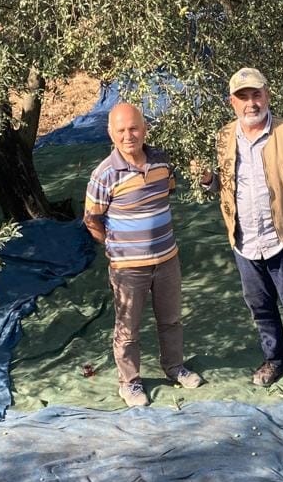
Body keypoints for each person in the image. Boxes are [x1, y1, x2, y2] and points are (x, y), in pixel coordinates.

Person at [199, 67, 283, 392]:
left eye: (256, 94)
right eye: (243, 97)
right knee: (259, 305)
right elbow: (221, 187)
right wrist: (207, 180)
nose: (251, 103)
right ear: (232, 102)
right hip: (244, 240)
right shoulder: (223, 137)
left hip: (282, 237)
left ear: (267, 95)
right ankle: (274, 358)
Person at [83, 102, 202, 407]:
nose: (128, 135)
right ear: (111, 133)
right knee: (128, 328)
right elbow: (91, 219)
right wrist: (114, 249)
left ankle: (174, 367)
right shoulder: (104, 175)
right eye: (121, 130)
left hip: (166, 259)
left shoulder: (162, 163)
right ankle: (130, 382)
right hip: (128, 268)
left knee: (171, 319)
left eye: (134, 128)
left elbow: (166, 193)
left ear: (145, 128)